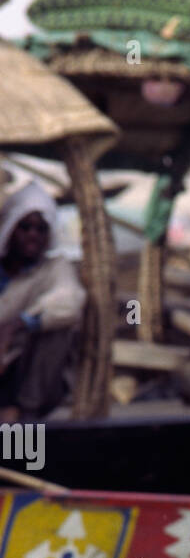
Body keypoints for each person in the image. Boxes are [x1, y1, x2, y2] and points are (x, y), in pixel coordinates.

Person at [0, 181, 86, 424]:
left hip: (22, 375)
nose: (32, 235)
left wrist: (16, 325)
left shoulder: (55, 269)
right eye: (25, 227)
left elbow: (69, 301)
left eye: (41, 229)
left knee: (56, 327)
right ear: (9, 228)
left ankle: (23, 413)